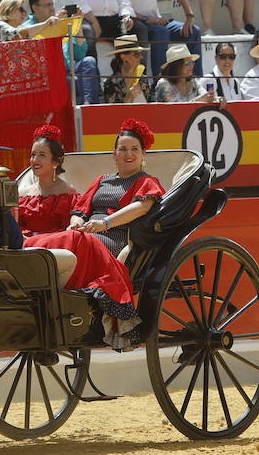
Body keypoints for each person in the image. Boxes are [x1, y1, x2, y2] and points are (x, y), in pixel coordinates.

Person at [25, 119, 164, 350]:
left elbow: (141, 207)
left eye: (134, 149)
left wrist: (105, 223)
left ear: (143, 154)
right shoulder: (101, 181)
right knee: (68, 236)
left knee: (75, 239)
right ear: (114, 154)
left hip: (115, 240)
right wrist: (75, 223)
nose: (128, 154)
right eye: (122, 149)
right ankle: (30, 259)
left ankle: (34, 254)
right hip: (87, 233)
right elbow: (80, 209)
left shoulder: (146, 181)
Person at [16, 125, 78, 239]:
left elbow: (72, 228)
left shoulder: (68, 193)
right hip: (26, 248)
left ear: (55, 161)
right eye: (33, 155)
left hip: (57, 248)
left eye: (42, 155)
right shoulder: (23, 194)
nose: (35, 160)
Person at [102, 35, 152, 103]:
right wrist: (129, 98)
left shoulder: (143, 80)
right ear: (124, 57)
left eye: (140, 53)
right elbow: (111, 112)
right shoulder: (111, 84)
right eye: (136, 54)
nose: (141, 57)